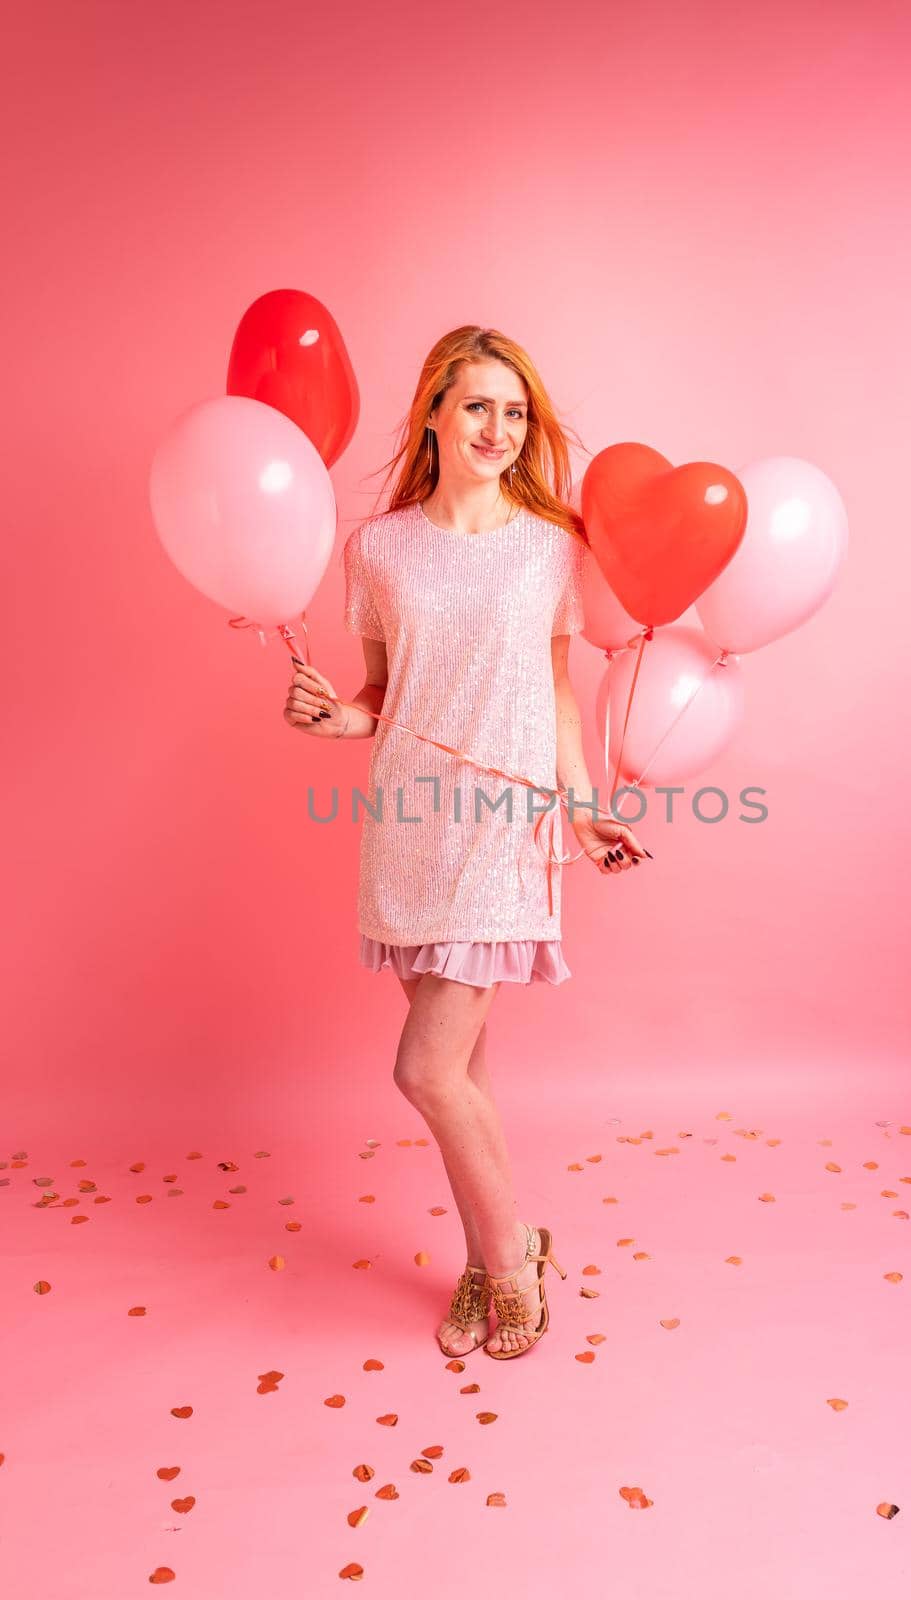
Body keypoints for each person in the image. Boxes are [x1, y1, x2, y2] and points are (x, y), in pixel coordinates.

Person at [283, 326, 651, 1360]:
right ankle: (497, 1250)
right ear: (434, 412)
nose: (498, 428)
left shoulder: (550, 545)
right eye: (479, 405)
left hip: (505, 824)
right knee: (468, 1079)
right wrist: (333, 719)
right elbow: (379, 696)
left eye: (515, 411)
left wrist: (579, 806)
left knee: (426, 1070)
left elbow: (555, 691)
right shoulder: (381, 548)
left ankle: (508, 1262)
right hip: (407, 824)